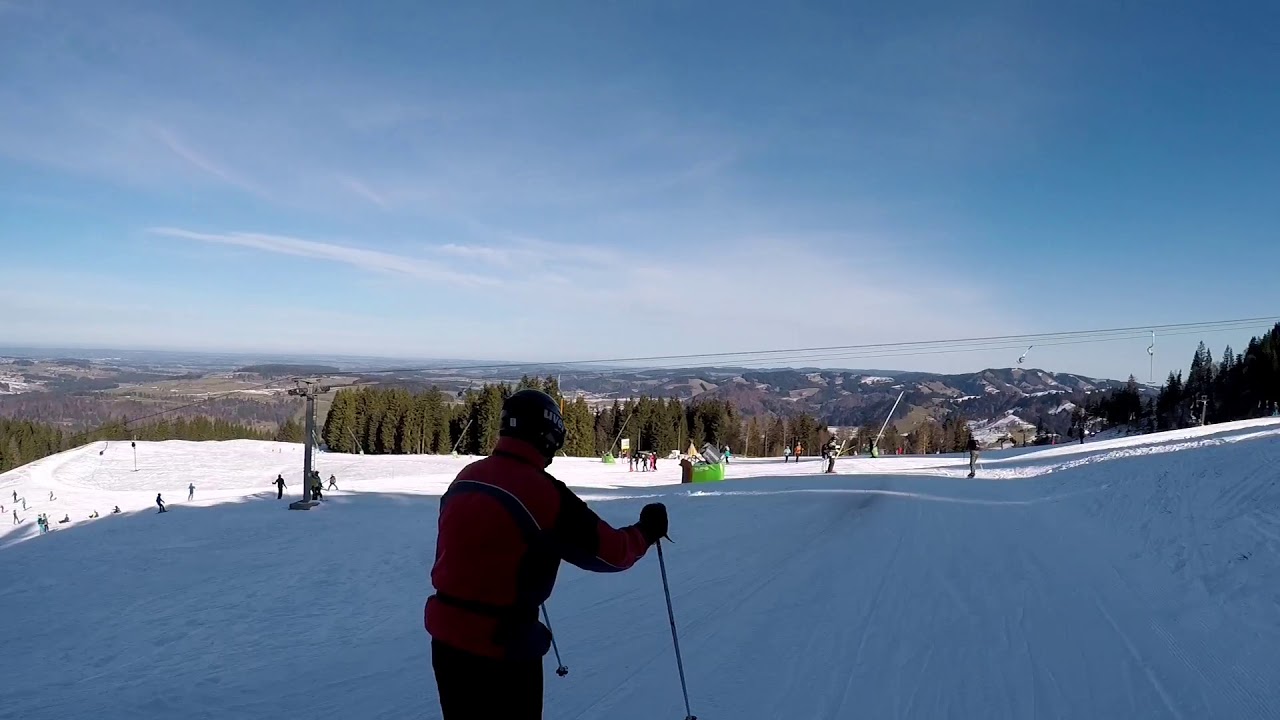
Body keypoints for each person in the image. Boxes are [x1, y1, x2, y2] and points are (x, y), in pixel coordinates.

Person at [426, 389, 668, 720]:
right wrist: (645, 532)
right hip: (502, 646)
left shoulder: (466, 477)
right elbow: (611, 554)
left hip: (446, 639)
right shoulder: (543, 492)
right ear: (549, 436)